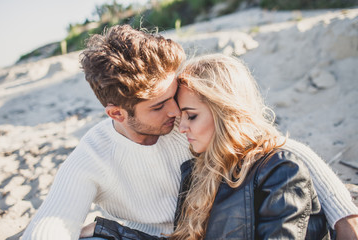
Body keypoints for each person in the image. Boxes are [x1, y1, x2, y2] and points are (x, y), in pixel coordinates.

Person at [22, 25, 358, 240]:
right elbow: (53, 221)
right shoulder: (93, 155)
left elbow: (274, 148)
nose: (175, 115)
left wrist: (345, 216)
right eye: (158, 106)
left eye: (176, 100)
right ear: (117, 113)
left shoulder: (191, 122)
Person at [79, 54, 347, 239]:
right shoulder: (196, 173)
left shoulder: (279, 172)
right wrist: (109, 232)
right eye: (180, 116)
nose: (181, 127)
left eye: (191, 115)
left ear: (225, 113)